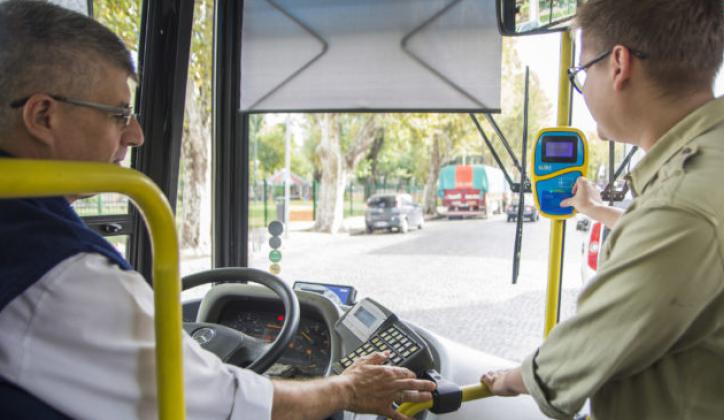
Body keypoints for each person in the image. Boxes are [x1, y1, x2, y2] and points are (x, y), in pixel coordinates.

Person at [0, 1, 434, 419]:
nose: (136, 135)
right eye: (118, 113)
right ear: (43, 117)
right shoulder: (56, 272)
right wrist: (346, 389)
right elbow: (216, 402)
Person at [481, 1, 724, 419]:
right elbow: (692, 254)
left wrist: (511, 378)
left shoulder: (684, 208)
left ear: (617, 64)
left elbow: (578, 354)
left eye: (581, 73)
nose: (583, 87)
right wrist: (596, 211)